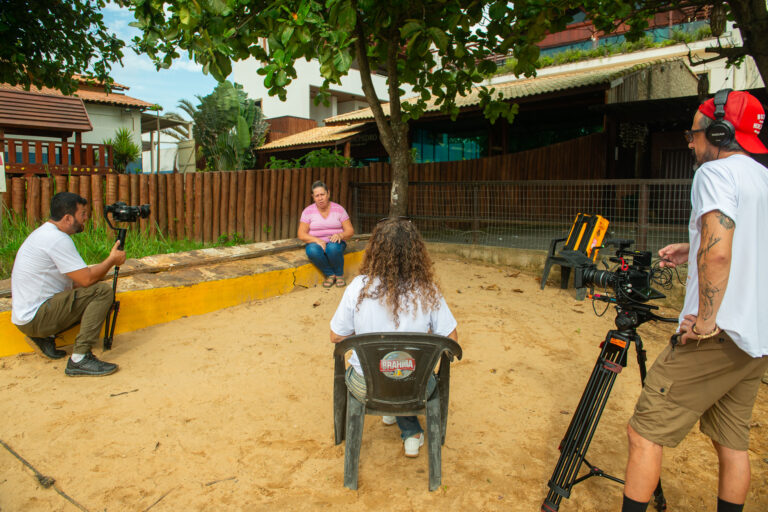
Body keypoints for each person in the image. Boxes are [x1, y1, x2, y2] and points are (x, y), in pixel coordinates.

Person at [622, 90, 768, 512]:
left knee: (644, 433)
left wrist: (705, 321)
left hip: (717, 336)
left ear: (720, 132)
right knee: (732, 442)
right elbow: (742, 242)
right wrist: (693, 245)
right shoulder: (760, 176)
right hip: (755, 338)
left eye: (694, 132)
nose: (689, 142)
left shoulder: (715, 175)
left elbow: (719, 251)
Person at [329, 218, 458, 457]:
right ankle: (408, 427)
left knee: (386, 371)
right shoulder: (427, 290)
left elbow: (337, 336)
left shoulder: (357, 287)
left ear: (375, 250)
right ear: (416, 252)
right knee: (403, 371)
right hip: (416, 385)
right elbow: (452, 340)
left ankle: (401, 419)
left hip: (366, 385)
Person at [11, 192, 126, 377]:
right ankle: (80, 358)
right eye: (82, 214)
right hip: (36, 317)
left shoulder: (44, 233)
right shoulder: (57, 239)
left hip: (26, 317)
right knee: (102, 293)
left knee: (90, 291)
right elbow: (87, 279)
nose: (85, 218)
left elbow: (76, 281)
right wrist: (112, 260)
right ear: (67, 218)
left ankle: (44, 339)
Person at [298, 180, 354, 288]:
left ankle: (339, 274)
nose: (320, 198)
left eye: (322, 194)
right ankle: (330, 274)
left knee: (332, 248)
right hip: (315, 242)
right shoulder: (308, 211)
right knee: (312, 250)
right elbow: (301, 234)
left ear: (328, 193)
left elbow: (350, 231)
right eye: (317, 195)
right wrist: (317, 240)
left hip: (336, 241)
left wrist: (340, 235)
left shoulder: (339, 209)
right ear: (313, 197)